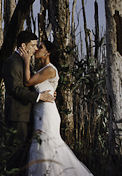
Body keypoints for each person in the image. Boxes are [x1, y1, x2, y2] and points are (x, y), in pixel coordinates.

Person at [19, 40, 93, 176]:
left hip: (47, 114)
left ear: (47, 52)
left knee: (47, 147)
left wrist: (27, 59)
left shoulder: (50, 69)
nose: (36, 49)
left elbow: (28, 81)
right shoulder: (42, 70)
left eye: (40, 47)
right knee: (42, 146)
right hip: (39, 113)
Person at [3, 30, 55, 173]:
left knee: (24, 156)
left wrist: (48, 91)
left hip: (27, 115)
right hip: (17, 116)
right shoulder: (12, 62)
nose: (35, 48)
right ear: (23, 46)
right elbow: (16, 90)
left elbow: (31, 85)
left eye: (37, 46)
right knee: (16, 156)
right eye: (33, 45)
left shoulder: (24, 62)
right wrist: (39, 97)